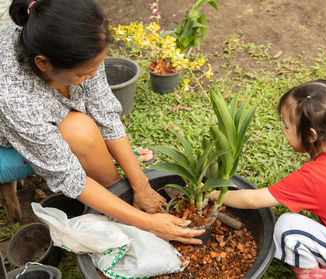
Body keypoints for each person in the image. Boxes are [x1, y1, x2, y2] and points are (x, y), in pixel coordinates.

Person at [0, 0, 204, 244]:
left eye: (96, 67)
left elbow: (105, 112)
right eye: (82, 74)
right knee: (80, 130)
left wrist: (142, 186)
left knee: (85, 128)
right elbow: (68, 176)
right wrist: (148, 223)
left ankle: (124, 198)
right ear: (43, 63)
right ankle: (122, 203)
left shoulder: (82, 41)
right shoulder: (15, 96)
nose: (93, 76)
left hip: (44, 123)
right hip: (9, 144)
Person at [211, 80, 326, 279]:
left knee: (287, 228)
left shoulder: (315, 178)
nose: (284, 132)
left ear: (310, 135)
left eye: (286, 127)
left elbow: (254, 200)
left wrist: (214, 193)